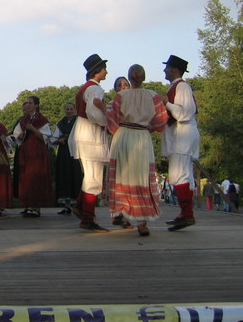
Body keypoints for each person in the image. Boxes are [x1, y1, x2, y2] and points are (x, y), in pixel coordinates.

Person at [103, 64, 168, 237]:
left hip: (123, 135)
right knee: (141, 176)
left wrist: (119, 128)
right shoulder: (153, 96)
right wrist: (149, 128)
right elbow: (162, 121)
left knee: (122, 175)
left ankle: (121, 212)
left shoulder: (121, 96)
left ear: (130, 78)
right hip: (141, 136)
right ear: (143, 78)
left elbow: (112, 120)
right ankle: (142, 222)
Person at [68, 54, 110, 232]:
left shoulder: (86, 87)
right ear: (97, 71)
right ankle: (87, 218)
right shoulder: (95, 89)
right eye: (104, 68)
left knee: (90, 175)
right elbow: (94, 113)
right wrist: (108, 121)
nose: (106, 71)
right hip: (90, 135)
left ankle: (80, 205)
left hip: (83, 132)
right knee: (94, 177)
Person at [160, 54, 200, 231]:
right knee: (181, 175)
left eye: (166, 67)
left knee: (180, 175)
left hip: (182, 136)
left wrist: (167, 103)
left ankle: (187, 214)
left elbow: (185, 113)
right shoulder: (177, 87)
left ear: (174, 70)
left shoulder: (182, 86)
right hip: (179, 136)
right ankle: (185, 213)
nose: (164, 70)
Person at [14, 96, 53, 217]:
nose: (28, 105)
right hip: (26, 153)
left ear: (36, 105)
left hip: (37, 153)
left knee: (36, 178)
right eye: (27, 103)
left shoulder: (41, 120)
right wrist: (19, 136)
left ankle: (36, 207)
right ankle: (27, 205)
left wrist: (34, 129)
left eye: (30, 103)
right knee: (26, 179)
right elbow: (16, 134)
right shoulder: (23, 120)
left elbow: (45, 138)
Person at [53, 102, 83, 215]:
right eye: (67, 109)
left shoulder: (78, 122)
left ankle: (78, 204)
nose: (69, 111)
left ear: (74, 110)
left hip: (75, 151)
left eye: (71, 109)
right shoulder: (61, 123)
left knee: (75, 175)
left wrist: (69, 137)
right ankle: (66, 205)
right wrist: (59, 140)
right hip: (63, 152)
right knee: (64, 176)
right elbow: (54, 137)